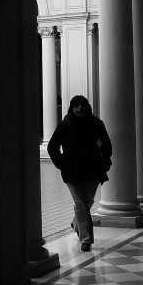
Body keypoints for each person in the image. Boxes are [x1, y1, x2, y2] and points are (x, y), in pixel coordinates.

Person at [47, 95, 112, 252]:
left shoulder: (96, 125)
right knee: (81, 203)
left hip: (93, 170)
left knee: (86, 203)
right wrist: (62, 164)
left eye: (83, 105)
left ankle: (77, 222)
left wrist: (104, 162)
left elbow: (106, 145)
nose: (80, 108)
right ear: (72, 107)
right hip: (72, 173)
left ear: (88, 107)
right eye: (76, 105)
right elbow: (52, 146)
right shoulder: (65, 126)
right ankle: (86, 239)